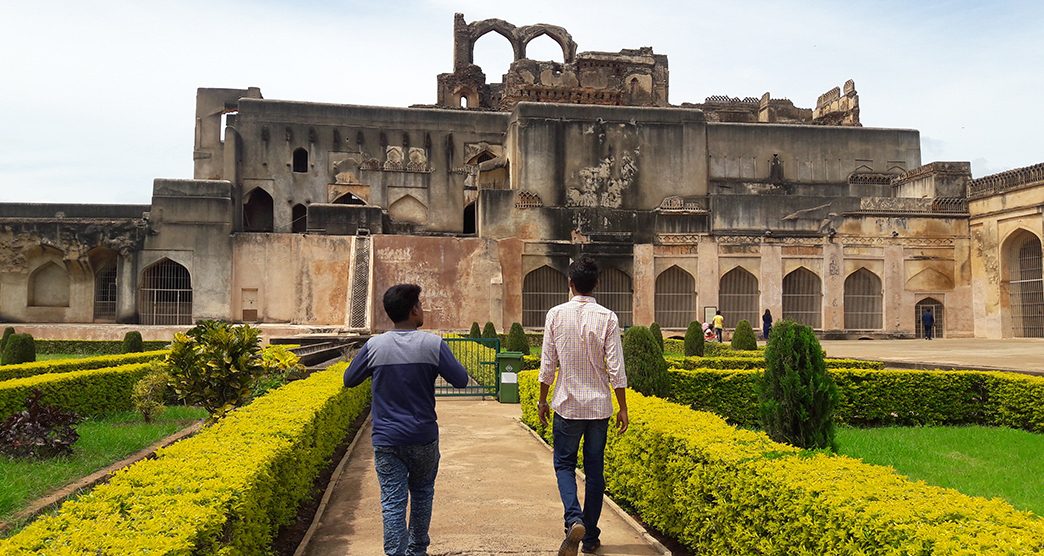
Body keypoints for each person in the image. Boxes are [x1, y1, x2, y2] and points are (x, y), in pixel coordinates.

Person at [343, 284, 469, 556]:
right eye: (420, 305)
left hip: (387, 440)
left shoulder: (374, 346)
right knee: (423, 494)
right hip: (423, 437)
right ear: (413, 310)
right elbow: (460, 380)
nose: (422, 310)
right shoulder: (433, 344)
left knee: (392, 502)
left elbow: (349, 379)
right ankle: (418, 550)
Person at [538, 255, 629, 556]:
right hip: (599, 407)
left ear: (571, 283)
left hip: (567, 404)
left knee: (564, 464)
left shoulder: (556, 314)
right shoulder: (608, 317)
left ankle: (573, 519)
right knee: (594, 470)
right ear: (596, 284)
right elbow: (616, 367)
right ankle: (589, 537)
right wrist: (623, 407)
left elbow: (548, 364)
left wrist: (541, 399)